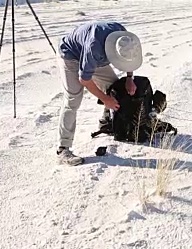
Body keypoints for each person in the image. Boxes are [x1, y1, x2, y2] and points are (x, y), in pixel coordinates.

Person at [55, 20, 143, 165]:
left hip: (92, 54)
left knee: (114, 87)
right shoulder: (94, 48)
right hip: (70, 55)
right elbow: (84, 80)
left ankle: (106, 121)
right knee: (73, 99)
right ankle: (63, 149)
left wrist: (129, 78)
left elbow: (129, 58)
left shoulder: (124, 37)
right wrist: (106, 99)